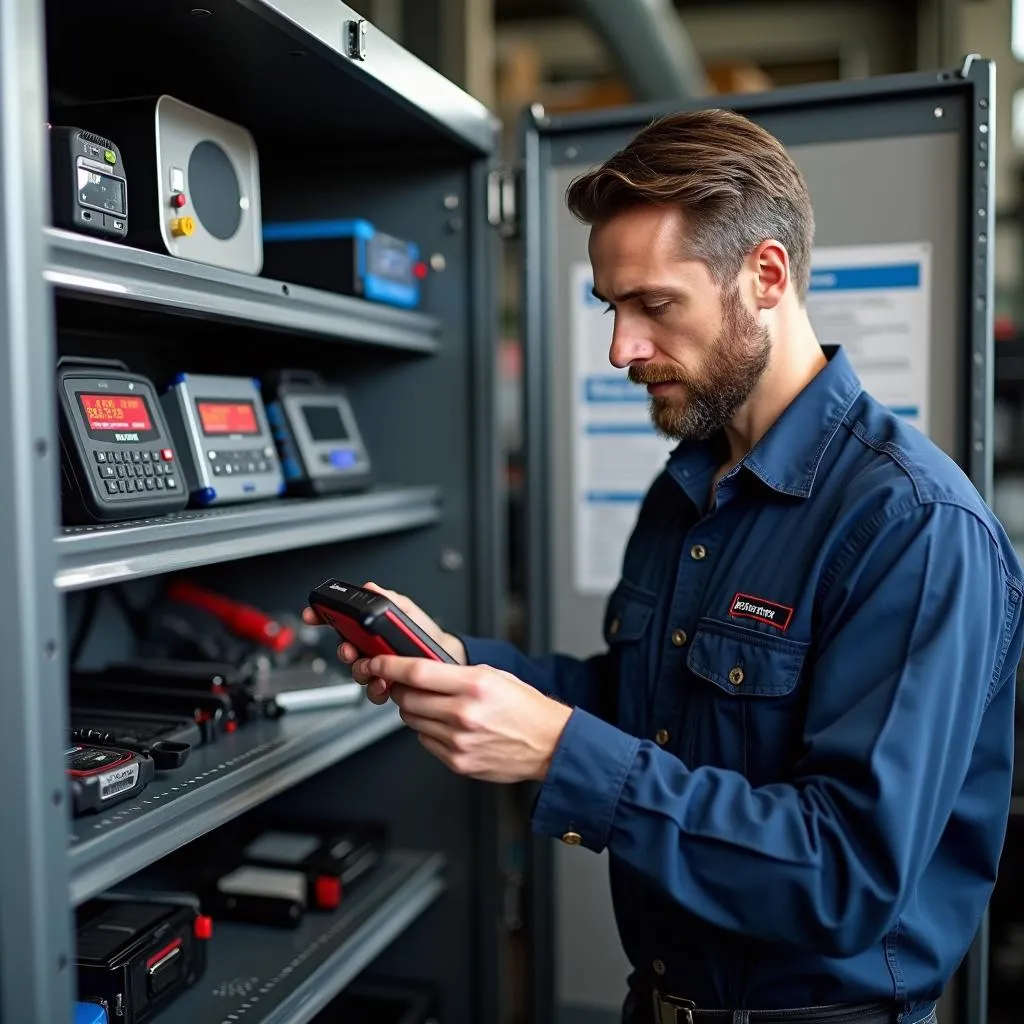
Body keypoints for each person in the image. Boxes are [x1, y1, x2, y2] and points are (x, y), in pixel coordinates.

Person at [303, 109, 1024, 1024]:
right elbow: (651, 708)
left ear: (765, 276)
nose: (621, 349)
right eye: (613, 307)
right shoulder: (688, 488)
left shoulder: (913, 525)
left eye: (655, 305)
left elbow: (845, 872)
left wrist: (562, 753)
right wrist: (471, 667)